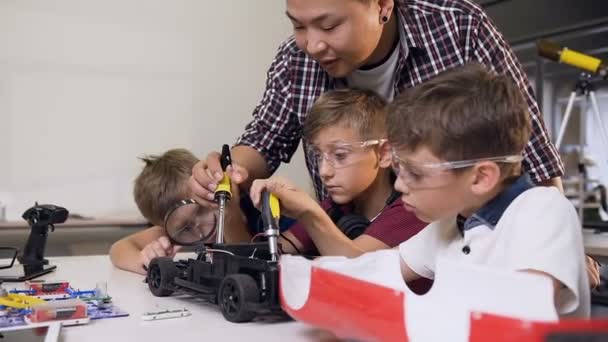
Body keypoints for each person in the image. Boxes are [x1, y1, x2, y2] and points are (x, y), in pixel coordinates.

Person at [190, 0, 598, 287]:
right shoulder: (294, 62)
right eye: (298, 25)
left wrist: (551, 247)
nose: (311, 44)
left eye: (329, 26)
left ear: (383, 6)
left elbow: (531, 155)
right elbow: (261, 142)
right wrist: (224, 172)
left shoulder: (458, 27)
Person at [249, 64, 590, 317]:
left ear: (481, 177)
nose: (399, 184)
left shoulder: (542, 211)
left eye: (413, 173)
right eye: (400, 169)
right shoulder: (448, 225)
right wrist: (297, 274)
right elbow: (374, 269)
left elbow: (516, 312)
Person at [235, 89, 427, 260]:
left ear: (384, 153)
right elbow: (266, 257)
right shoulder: (334, 208)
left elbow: (360, 268)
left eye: (340, 155)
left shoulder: (411, 210)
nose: (323, 171)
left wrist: (308, 212)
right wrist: (229, 213)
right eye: (318, 156)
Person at [109, 149, 250, 274]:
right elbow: (118, 248)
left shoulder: (249, 206)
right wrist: (144, 259)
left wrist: (230, 215)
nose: (203, 229)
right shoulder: (175, 233)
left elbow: (249, 258)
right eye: (187, 228)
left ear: (207, 185)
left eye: (202, 208)